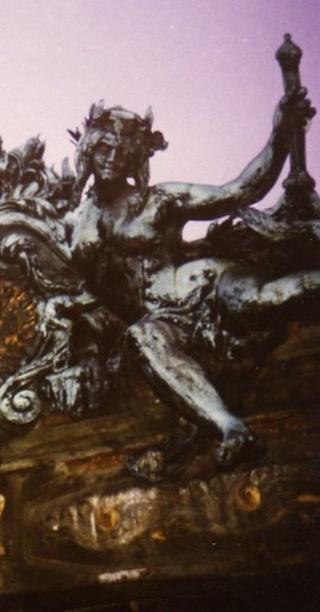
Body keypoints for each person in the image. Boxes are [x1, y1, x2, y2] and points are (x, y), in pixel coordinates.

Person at [62, 90, 318, 476]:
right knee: (142, 337)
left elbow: (239, 191)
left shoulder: (160, 200)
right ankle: (231, 429)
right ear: (89, 150)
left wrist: (280, 136)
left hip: (207, 285)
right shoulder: (75, 222)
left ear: (134, 156)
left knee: (258, 302)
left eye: (121, 150)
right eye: (104, 148)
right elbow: (77, 290)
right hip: (161, 321)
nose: (112, 157)